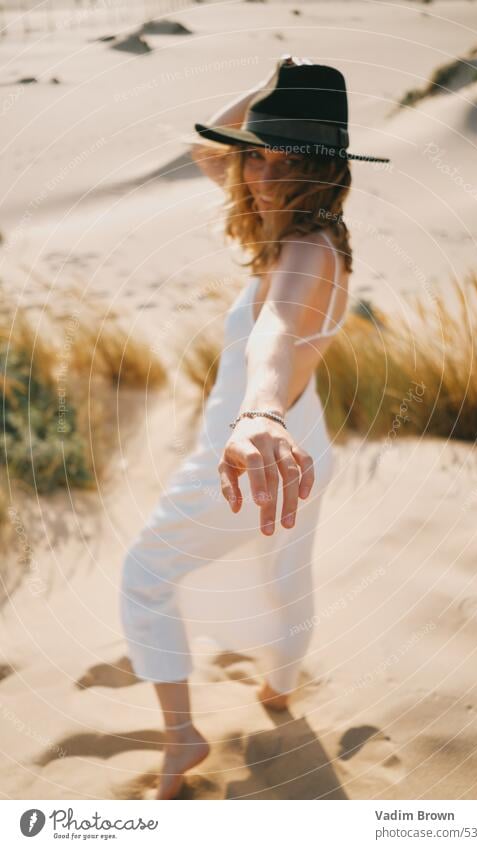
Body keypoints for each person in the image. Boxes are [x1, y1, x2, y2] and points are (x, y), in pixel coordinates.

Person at [120, 57, 390, 800]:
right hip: (301, 447)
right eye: (259, 152)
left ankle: (181, 737)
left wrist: (259, 411)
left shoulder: (304, 252)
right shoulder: (308, 230)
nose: (262, 172)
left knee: (142, 577)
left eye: (286, 156)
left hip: (246, 453)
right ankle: (279, 688)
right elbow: (211, 148)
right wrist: (272, 92)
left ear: (323, 167)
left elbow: (273, 331)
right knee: (284, 575)